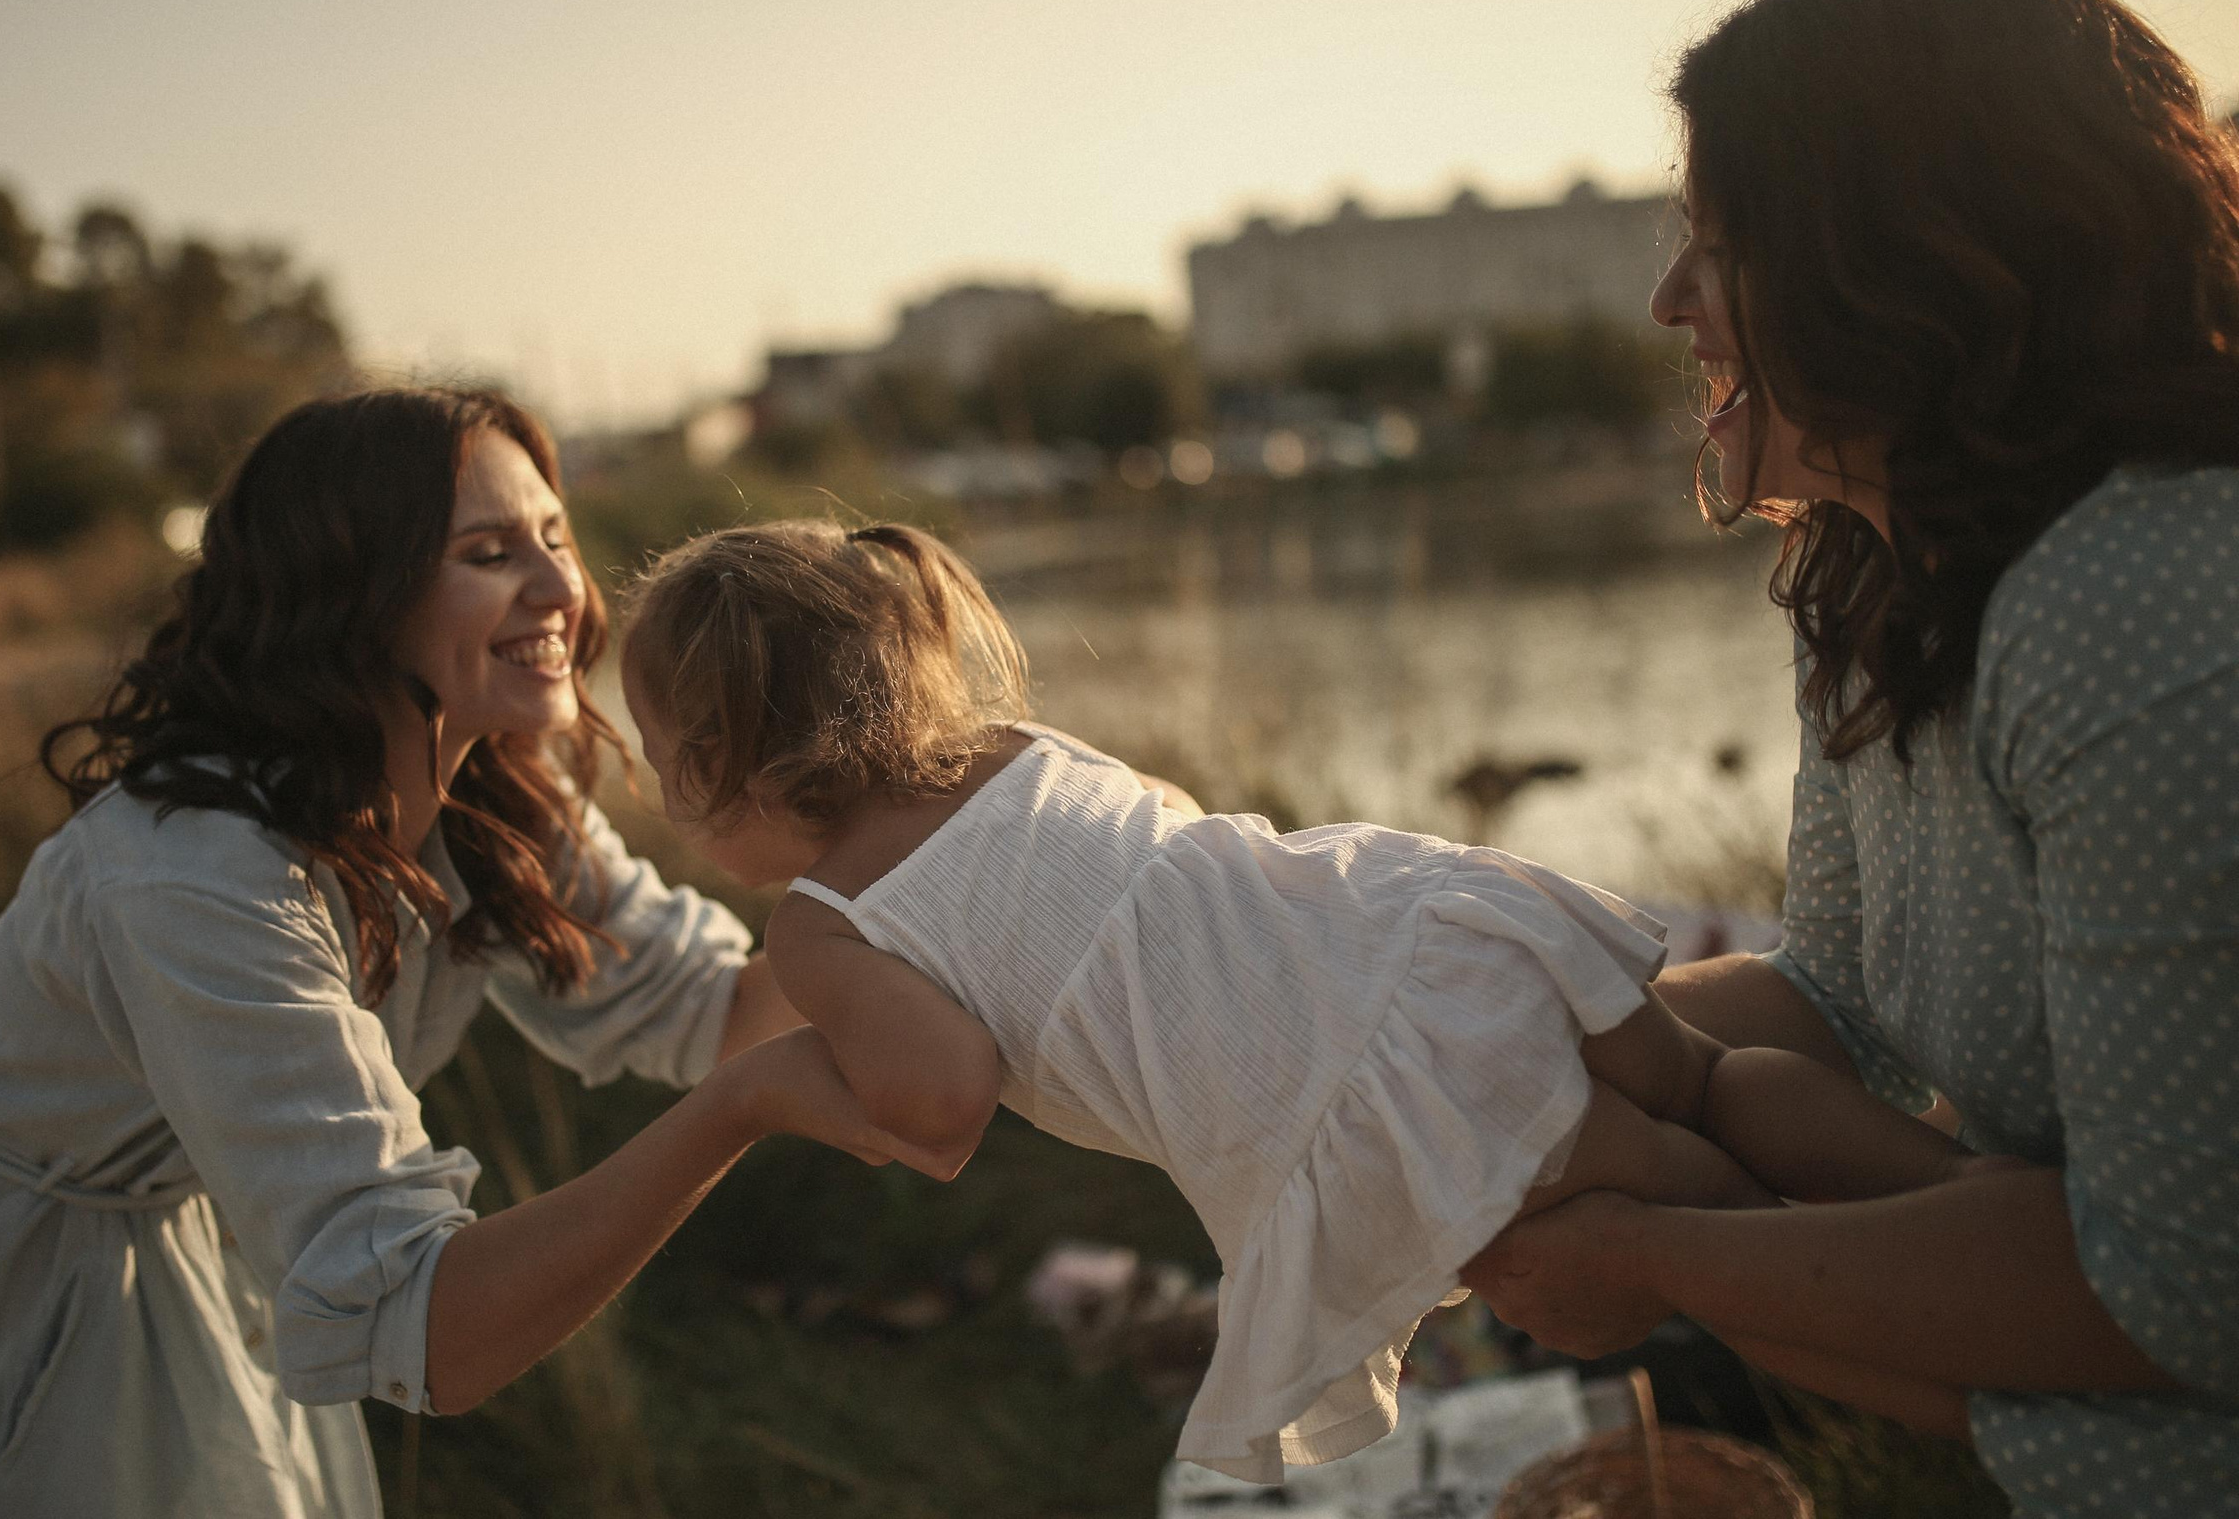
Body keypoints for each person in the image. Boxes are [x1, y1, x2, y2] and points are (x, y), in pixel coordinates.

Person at [0, 387, 927, 1518]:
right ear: (352, 595)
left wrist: (919, 832)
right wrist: (737, 1114)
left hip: (196, 1252)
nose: (561, 584)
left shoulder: (502, 793)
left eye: (555, 535)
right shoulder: (191, 871)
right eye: (489, 553)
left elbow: (716, 1007)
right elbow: (429, 1328)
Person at [608, 515, 2003, 1484]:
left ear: (708, 767)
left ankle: (2010, 1408)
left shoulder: (821, 925)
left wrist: (799, 1077)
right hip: (1415, 924)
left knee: (1719, 1238)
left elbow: (946, 1098)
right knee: (1699, 1079)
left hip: (1354, 1082)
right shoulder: (1012, 744)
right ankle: (1977, 1199)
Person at [1456, 0, 2239, 1517]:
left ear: (1905, 262)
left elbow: (2182, 1288)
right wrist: (1462, 1012)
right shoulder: (1877, 583)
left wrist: (1658, 1257)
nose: (1670, 299)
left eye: (1722, 243)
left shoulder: (2145, 597)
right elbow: (1835, 995)